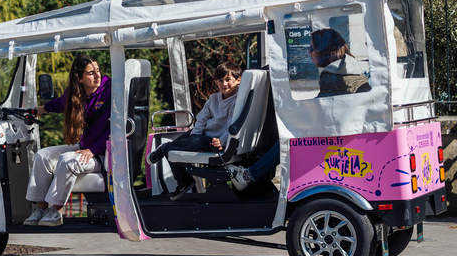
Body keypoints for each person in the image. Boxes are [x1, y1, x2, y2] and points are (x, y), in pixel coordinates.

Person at [231, 28, 371, 191]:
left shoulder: (334, 76)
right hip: (345, 131)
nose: (309, 52)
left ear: (324, 50)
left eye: (312, 48)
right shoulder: (346, 68)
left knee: (287, 139)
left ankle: (248, 175)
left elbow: (323, 111)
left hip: (335, 136)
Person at [23, 55, 111, 227]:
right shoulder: (75, 93)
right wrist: (43, 109)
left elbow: (113, 129)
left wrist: (92, 150)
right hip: (85, 148)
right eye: (91, 73)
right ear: (80, 78)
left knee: (68, 159)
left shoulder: (109, 90)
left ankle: (56, 211)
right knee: (42, 155)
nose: (97, 76)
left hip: (101, 154)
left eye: (98, 71)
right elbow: (61, 103)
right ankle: (41, 209)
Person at [146, 61, 242, 200]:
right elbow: (202, 118)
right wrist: (195, 135)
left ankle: (163, 150)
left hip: (216, 141)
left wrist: (221, 141)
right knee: (177, 147)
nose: (224, 84)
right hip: (201, 136)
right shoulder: (214, 98)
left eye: (228, 80)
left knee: (172, 147)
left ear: (238, 80)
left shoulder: (237, 101)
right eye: (220, 81)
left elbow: (232, 125)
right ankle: (184, 181)